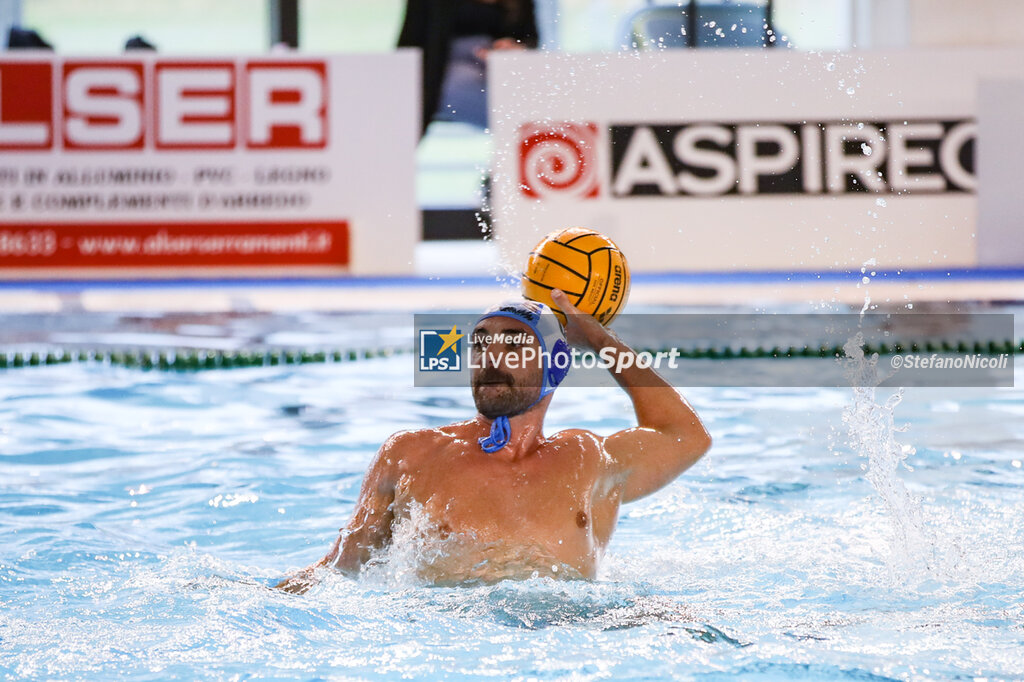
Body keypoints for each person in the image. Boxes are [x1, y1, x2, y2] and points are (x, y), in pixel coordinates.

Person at [277, 290, 712, 592]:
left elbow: (686, 435)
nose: (490, 358)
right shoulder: (411, 455)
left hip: (570, 639)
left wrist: (596, 338)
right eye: (481, 344)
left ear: (555, 364)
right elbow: (338, 571)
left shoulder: (590, 461)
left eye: (514, 344)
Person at [397, 0, 538, 135]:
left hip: (498, 66)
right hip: (442, 67)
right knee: (459, 85)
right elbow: (411, 38)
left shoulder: (520, 4)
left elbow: (529, 39)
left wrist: (511, 47)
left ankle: (523, 135)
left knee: (518, 94)